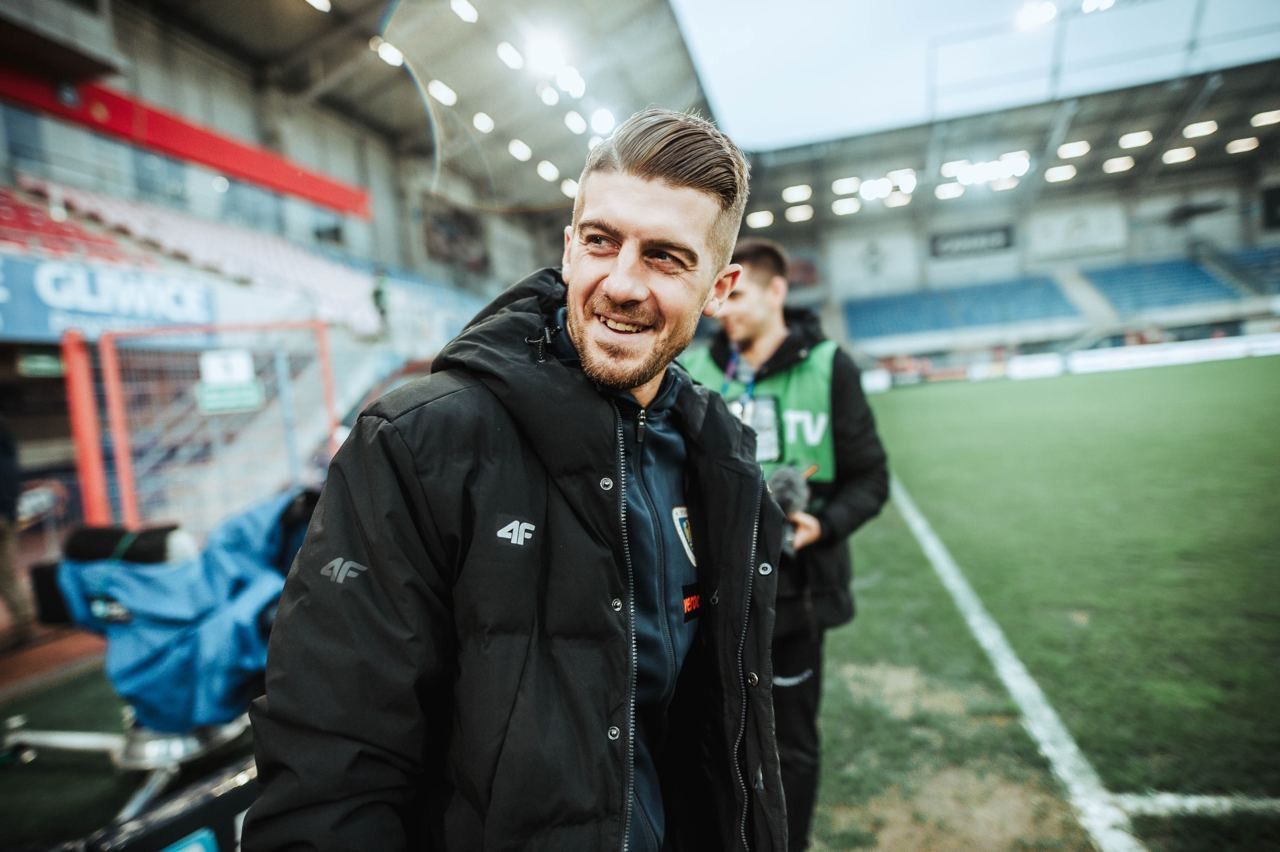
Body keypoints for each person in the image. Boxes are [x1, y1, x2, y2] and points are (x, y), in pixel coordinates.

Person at [244, 109, 789, 851]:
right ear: (568, 248)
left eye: (665, 257)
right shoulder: (418, 443)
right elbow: (331, 769)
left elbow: (719, 732)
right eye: (601, 241)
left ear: (718, 289)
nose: (621, 283)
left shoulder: (719, 456)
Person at [681, 238, 889, 851]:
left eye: (739, 294)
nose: (725, 309)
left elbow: (871, 478)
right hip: (712, 595)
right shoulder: (698, 369)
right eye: (719, 296)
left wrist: (822, 525)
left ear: (777, 291)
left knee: (788, 744)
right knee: (709, 736)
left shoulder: (828, 365)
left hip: (797, 596)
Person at [0, 415, 35, 651]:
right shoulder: (9, 455)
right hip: (8, 517)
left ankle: (24, 627)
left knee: (7, 576)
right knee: (8, 575)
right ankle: (24, 625)